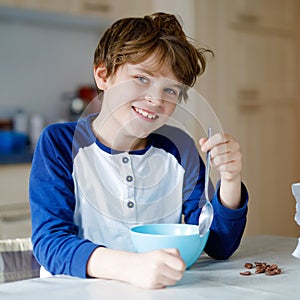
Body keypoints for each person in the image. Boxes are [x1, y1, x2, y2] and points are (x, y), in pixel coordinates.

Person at [29, 12, 248, 289]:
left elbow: (218, 243)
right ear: (103, 75)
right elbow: (51, 243)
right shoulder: (59, 144)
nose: (156, 100)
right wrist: (132, 266)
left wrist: (230, 179)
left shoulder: (179, 149)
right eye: (142, 79)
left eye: (170, 91)